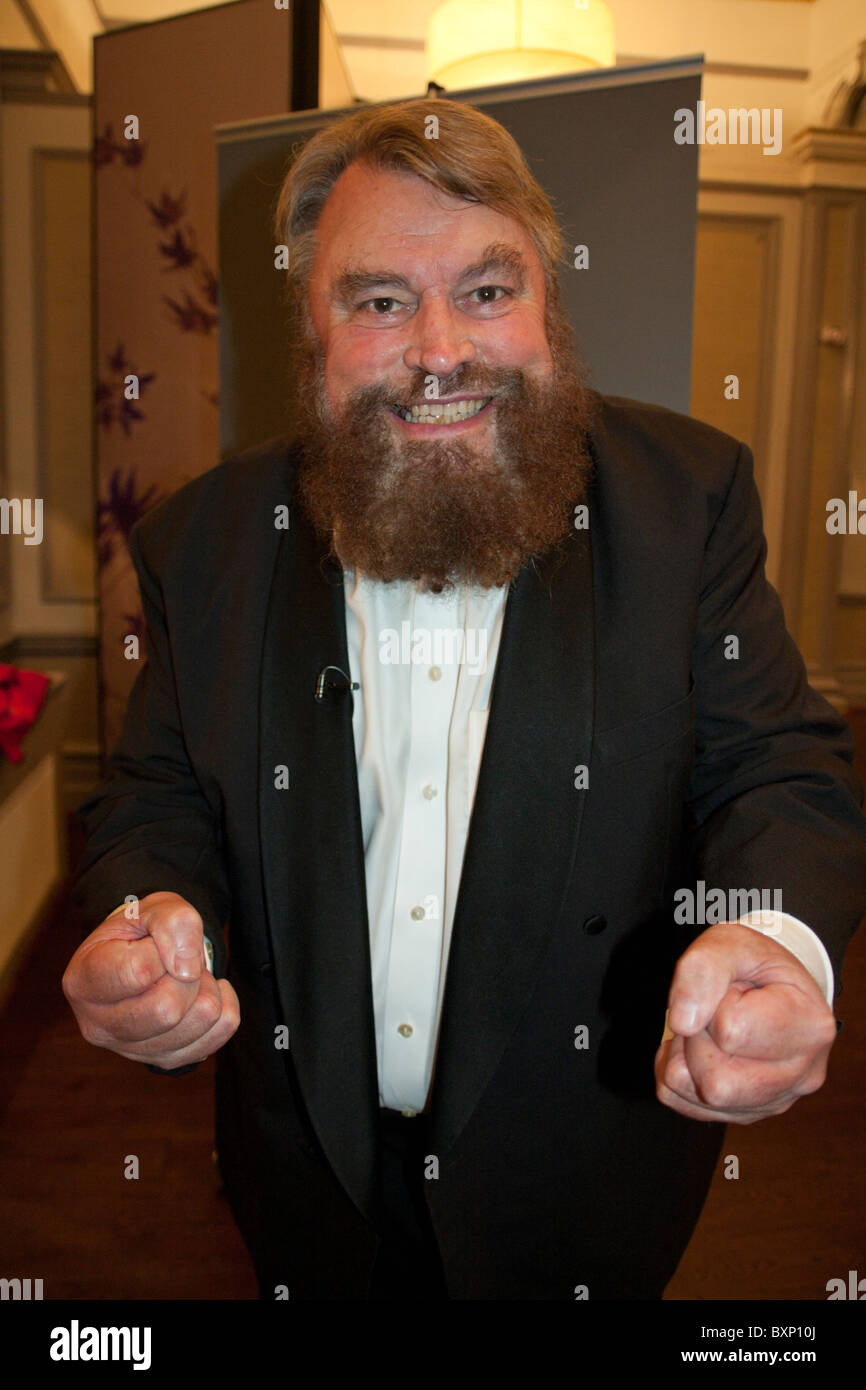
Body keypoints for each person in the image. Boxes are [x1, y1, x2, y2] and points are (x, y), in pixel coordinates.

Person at [63, 98, 866, 1301]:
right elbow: (156, 791)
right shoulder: (206, 542)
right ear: (312, 327)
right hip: (306, 1179)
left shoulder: (685, 501)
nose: (440, 348)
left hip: (586, 1185)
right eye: (379, 300)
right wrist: (148, 911)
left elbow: (778, 771)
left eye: (486, 292)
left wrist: (777, 939)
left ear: (546, 304)